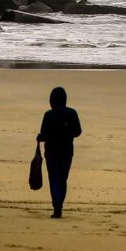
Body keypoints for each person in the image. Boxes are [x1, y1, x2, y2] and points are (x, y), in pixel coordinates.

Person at [36, 86, 82, 218]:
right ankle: (59, 205)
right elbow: (78, 132)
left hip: (51, 152)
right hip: (67, 151)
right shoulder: (72, 113)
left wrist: (40, 138)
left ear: (52, 100)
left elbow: (44, 135)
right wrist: (67, 132)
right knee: (63, 179)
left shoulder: (48, 115)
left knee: (54, 178)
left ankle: (57, 206)